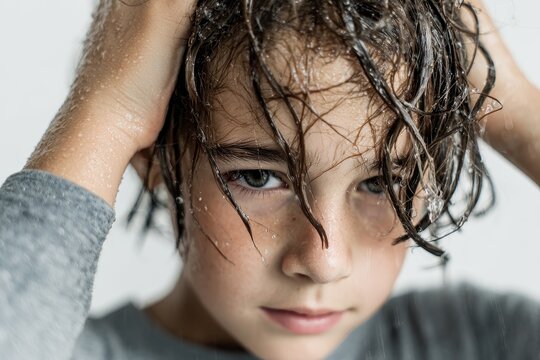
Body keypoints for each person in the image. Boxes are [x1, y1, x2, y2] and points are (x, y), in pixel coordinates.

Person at [0, 0, 539, 359]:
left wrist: (512, 105)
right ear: (155, 160)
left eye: (380, 185)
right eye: (258, 176)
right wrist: (107, 108)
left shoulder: (475, 342)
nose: (324, 261)